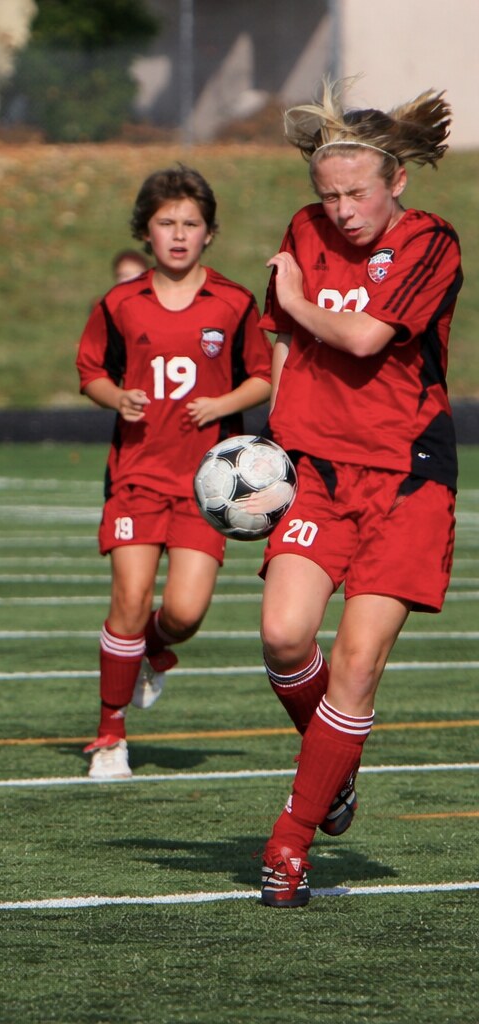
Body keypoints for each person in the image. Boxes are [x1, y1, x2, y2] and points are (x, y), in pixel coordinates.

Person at [256, 81, 459, 907]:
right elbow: (279, 341)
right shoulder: (303, 230)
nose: (339, 211)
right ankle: (333, 771)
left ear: (396, 181)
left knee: (357, 663)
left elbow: (367, 336)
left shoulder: (431, 243)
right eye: (327, 194)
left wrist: (299, 299)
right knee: (282, 637)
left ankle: (291, 840)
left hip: (406, 475)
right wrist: (269, 438)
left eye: (356, 193)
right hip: (316, 470)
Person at [75, 166, 273, 779]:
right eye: (167, 223)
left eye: (191, 224)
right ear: (147, 231)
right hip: (136, 475)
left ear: (209, 233)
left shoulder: (236, 302)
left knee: (183, 614)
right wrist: (117, 398)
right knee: (129, 599)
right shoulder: (119, 303)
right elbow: (90, 373)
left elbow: (265, 376)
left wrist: (225, 404)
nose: (179, 235)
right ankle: (109, 736)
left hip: (206, 486)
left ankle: (154, 651)